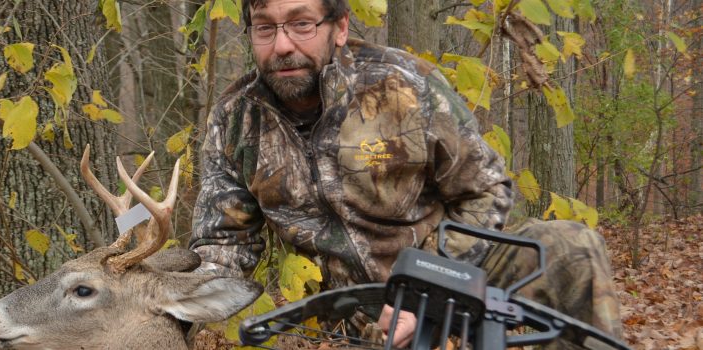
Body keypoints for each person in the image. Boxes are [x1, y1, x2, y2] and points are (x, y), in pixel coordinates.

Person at [188, 0, 623, 348]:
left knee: (570, 247)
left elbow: (487, 190)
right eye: (265, 27)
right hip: (356, 311)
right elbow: (223, 245)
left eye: (302, 23)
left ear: (338, 28)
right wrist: (167, 299)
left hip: (450, 264)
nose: (282, 45)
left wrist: (425, 285)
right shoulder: (234, 119)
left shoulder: (402, 85)